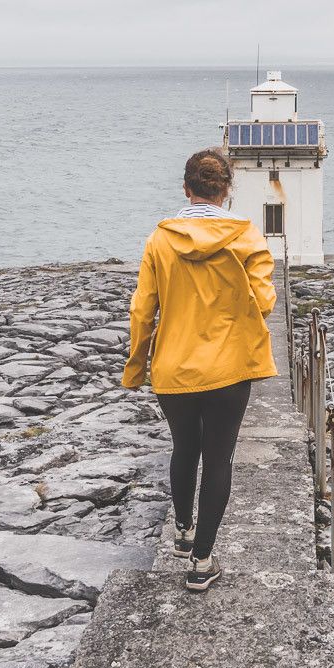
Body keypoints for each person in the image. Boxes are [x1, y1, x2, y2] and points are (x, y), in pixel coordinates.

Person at [122, 147, 277, 592]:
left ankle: (183, 530)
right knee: (219, 458)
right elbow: (264, 303)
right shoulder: (247, 239)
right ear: (227, 192)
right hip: (229, 368)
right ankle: (202, 562)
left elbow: (142, 310)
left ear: (186, 188)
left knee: (183, 449)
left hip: (173, 367)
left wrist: (136, 369)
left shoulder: (160, 239)